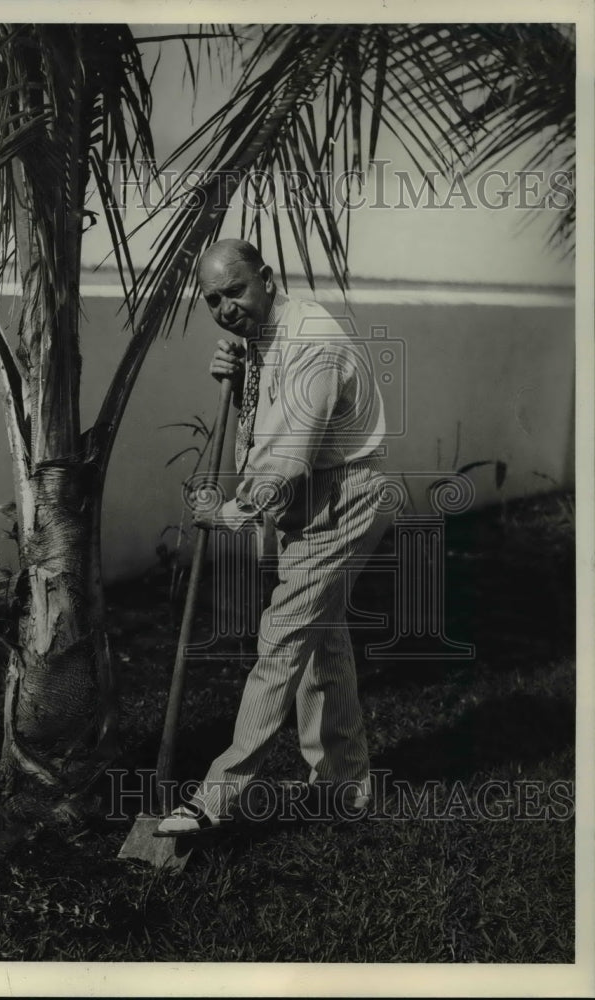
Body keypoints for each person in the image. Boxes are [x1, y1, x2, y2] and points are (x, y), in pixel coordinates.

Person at [157, 238, 390, 836]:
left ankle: (216, 797)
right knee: (321, 642)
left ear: (265, 277)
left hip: (339, 496)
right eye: (213, 300)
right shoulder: (264, 330)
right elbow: (268, 422)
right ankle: (346, 785)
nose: (226, 308)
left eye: (235, 291)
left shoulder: (310, 340)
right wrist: (238, 382)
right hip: (308, 494)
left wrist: (230, 515)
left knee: (282, 637)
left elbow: (287, 458)